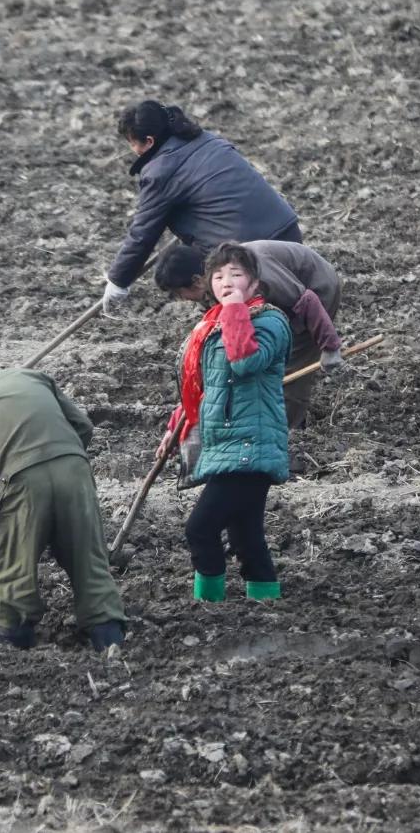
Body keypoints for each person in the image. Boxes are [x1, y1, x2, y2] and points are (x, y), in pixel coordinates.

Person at [0, 338, 127, 651]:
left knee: (10, 574)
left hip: (19, 485)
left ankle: (16, 653)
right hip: (75, 472)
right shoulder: (31, 377)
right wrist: (55, 462)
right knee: (90, 562)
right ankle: (111, 646)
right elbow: (82, 427)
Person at [158, 244, 291, 601]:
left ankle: (208, 604)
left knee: (200, 528)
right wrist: (176, 426)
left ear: (255, 282)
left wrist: (233, 311)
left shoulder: (270, 321)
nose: (226, 282)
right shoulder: (211, 324)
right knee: (246, 535)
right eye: (219, 276)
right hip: (225, 442)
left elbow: (244, 362)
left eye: (236, 275)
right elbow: (201, 385)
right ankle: (265, 601)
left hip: (251, 443)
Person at [102, 100, 301, 314]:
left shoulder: (160, 172)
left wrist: (118, 281)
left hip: (249, 256)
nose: (133, 150)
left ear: (149, 141)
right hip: (289, 235)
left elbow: (142, 233)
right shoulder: (206, 139)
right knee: (296, 309)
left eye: (133, 143)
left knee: (253, 318)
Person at [155, 240, 342, 428]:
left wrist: (329, 345)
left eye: (179, 293)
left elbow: (306, 301)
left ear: (196, 281)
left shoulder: (253, 274)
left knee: (291, 368)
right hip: (281, 299)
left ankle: (287, 429)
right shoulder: (216, 282)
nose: (182, 300)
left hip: (315, 288)